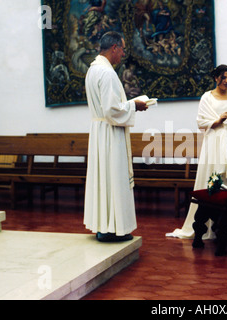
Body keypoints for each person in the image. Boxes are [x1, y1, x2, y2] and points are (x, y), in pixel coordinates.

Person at [167, 64, 227, 240]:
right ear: (216, 78)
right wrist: (219, 120)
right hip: (214, 144)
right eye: (224, 78)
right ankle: (209, 225)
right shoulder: (207, 98)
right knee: (213, 182)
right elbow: (202, 122)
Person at [83, 31, 148, 242]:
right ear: (114, 48)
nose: (123, 54)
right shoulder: (108, 73)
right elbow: (112, 111)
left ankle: (103, 226)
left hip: (99, 132)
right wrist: (134, 105)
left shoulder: (93, 70)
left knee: (104, 179)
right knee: (113, 178)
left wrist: (127, 106)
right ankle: (113, 229)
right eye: (122, 49)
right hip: (110, 133)